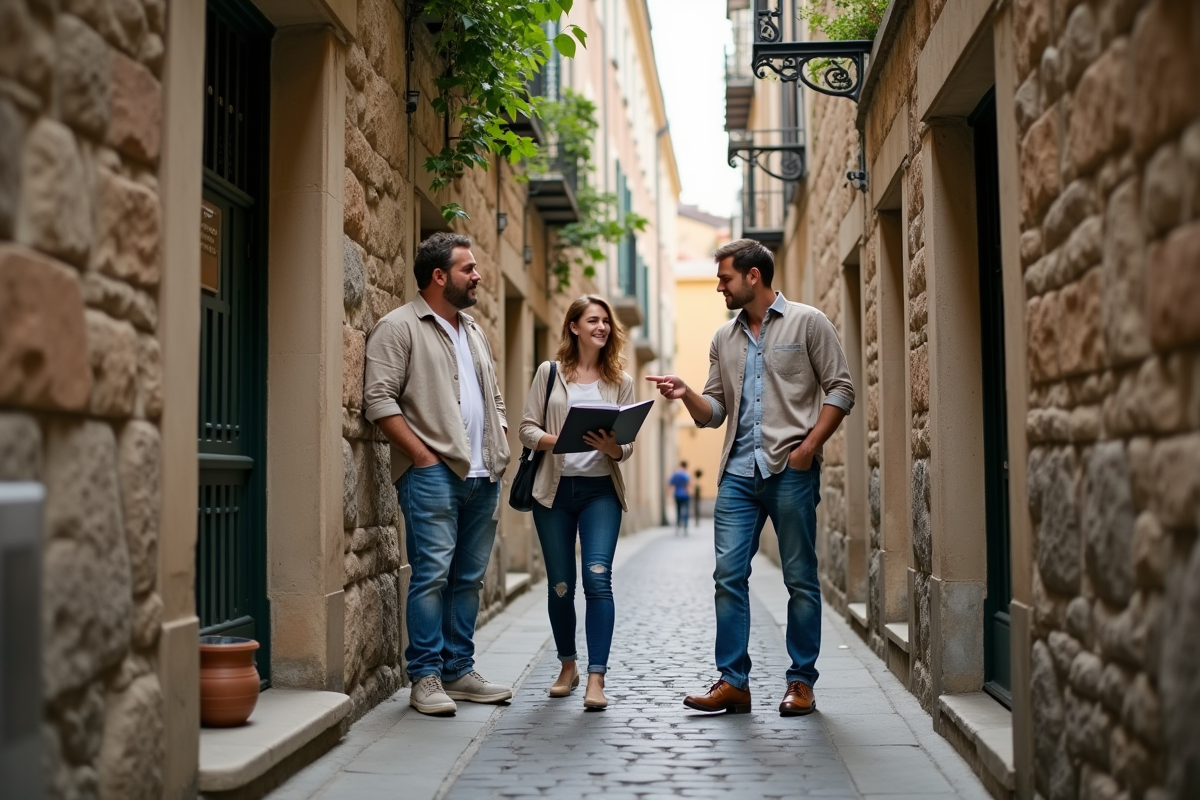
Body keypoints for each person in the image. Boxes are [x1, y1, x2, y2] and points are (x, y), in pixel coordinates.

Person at [647, 238, 854, 717]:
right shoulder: (724, 338)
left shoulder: (809, 322)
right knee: (727, 577)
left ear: (753, 276)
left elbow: (841, 388)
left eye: (725, 278)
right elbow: (715, 411)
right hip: (738, 475)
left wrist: (807, 449)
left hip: (790, 470)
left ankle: (801, 681)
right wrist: (685, 394)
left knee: (800, 578)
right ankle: (734, 681)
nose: (719, 286)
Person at [363, 232, 512, 716]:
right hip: (434, 474)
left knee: (468, 579)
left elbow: (494, 397)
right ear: (439, 276)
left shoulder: (474, 331)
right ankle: (425, 676)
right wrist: (422, 457)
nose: (479, 276)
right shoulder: (399, 327)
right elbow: (378, 400)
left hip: (484, 474)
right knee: (431, 576)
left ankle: (458, 669)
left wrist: (500, 437)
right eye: (469, 268)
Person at [519, 295, 636, 711]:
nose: (601, 327)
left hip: (600, 492)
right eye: (593, 320)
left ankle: (596, 678)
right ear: (574, 327)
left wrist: (614, 446)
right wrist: (559, 440)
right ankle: (567, 664)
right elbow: (527, 429)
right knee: (561, 585)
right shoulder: (549, 374)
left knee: (598, 578)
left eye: (606, 321)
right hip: (553, 493)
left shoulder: (620, 380)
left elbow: (628, 446)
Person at [668, 461, 691, 534]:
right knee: (686, 511)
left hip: (677, 494)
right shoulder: (686, 474)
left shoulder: (675, 474)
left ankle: (678, 525)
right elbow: (688, 484)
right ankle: (685, 526)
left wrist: (669, 493)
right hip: (685, 494)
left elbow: (670, 483)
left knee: (678, 510)